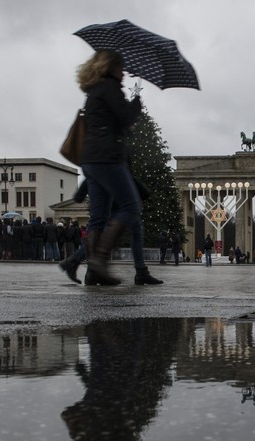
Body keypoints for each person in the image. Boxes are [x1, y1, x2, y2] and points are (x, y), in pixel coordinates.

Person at [76, 49, 161, 286]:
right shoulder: (110, 87)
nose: (123, 73)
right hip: (107, 159)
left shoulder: (94, 90)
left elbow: (108, 123)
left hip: (90, 160)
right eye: (121, 68)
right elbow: (124, 117)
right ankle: (99, 260)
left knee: (99, 217)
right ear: (111, 67)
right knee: (131, 206)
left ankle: (93, 271)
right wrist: (135, 105)